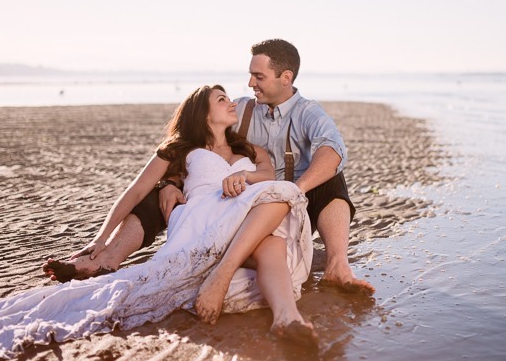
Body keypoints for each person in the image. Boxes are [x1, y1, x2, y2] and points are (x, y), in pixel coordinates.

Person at [0, 85, 316, 361]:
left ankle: (285, 318)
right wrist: (97, 243)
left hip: (248, 206)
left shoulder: (250, 147)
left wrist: (244, 175)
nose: (233, 101)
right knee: (271, 228)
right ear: (203, 112)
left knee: (278, 200)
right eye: (222, 98)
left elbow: (272, 177)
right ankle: (254, 297)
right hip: (202, 216)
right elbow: (132, 194)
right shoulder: (180, 149)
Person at [46, 39, 374, 295]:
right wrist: (171, 182)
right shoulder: (242, 111)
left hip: (290, 205)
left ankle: (337, 266)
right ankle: (104, 259)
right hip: (232, 205)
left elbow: (332, 151)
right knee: (162, 195)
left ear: (285, 77)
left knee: (332, 179)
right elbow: (200, 144)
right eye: (250, 75)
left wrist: (293, 191)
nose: (249, 84)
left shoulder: (308, 113)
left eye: (258, 76)